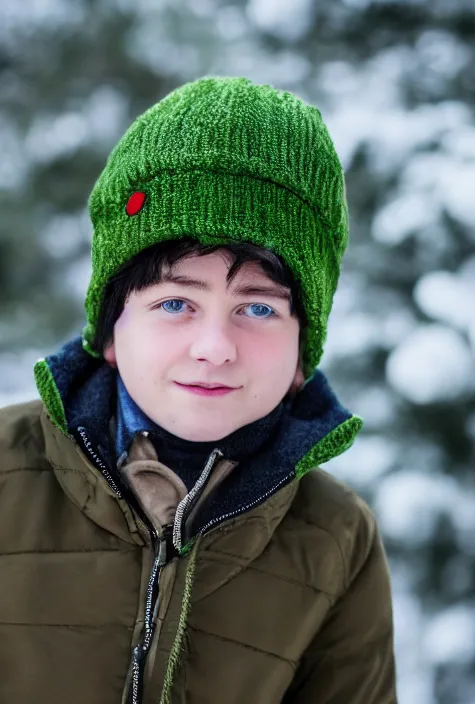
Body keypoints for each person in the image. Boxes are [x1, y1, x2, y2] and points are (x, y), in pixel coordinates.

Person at [0, 76, 397, 704]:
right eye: (177, 301)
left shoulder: (336, 539)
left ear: (304, 350)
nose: (215, 345)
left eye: (259, 309)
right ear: (110, 328)